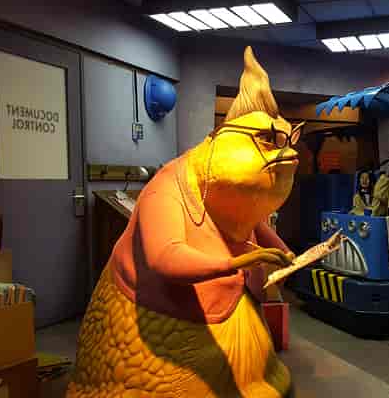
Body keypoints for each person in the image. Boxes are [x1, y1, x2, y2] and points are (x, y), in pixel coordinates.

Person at [68, 47, 296, 398]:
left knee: (254, 375)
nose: (287, 151)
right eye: (270, 141)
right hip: (156, 320)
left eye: (289, 140)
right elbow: (165, 258)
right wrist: (238, 262)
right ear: (220, 142)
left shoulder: (228, 195)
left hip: (230, 312)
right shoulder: (167, 188)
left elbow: (256, 225)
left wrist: (283, 253)